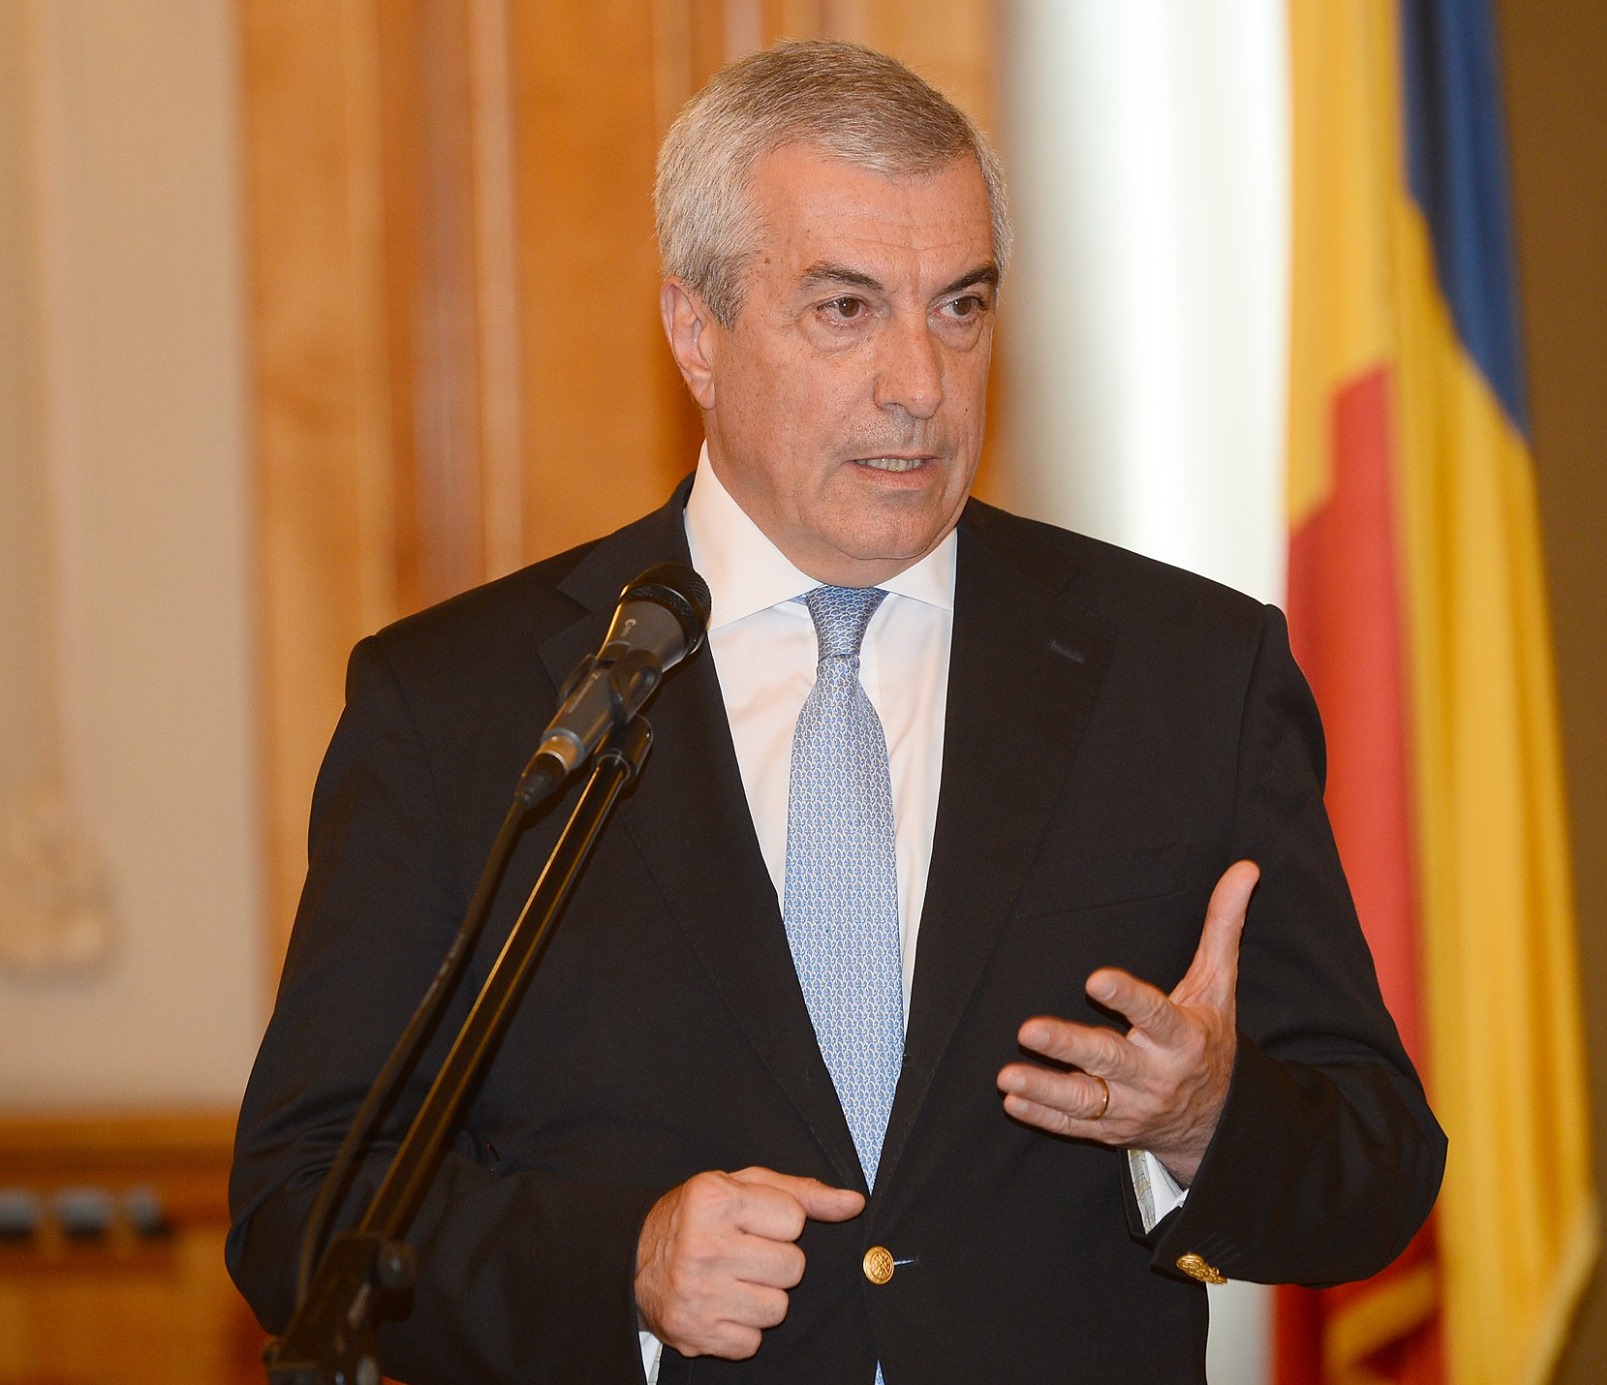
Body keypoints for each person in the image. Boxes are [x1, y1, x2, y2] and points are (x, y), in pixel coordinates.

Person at [228, 39, 1443, 1385]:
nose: (921, 381)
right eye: (846, 308)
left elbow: (1379, 1163)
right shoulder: (460, 705)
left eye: (960, 307)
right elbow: (303, 1199)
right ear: (697, 330)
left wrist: (1208, 1119)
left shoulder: (1186, 672)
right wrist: (619, 1265)